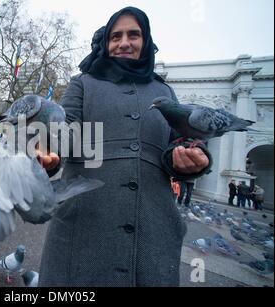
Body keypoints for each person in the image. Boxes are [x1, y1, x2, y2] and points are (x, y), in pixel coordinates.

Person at [35, 7, 212, 287]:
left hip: (153, 230)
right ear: (106, 42)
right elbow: (64, 132)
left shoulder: (164, 92)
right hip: (84, 224)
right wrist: (50, 153)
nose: (124, 42)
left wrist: (192, 158)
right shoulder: (84, 83)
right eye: (115, 36)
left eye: (134, 34)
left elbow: (180, 141)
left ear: (146, 40)